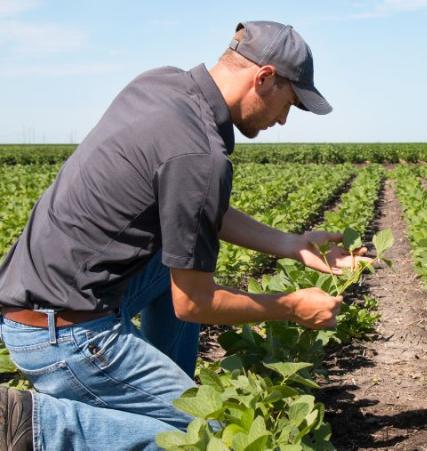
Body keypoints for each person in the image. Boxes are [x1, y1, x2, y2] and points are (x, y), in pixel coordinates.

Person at [0, 20, 363, 450]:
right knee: (210, 436)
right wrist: (291, 306)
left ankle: (156, 396)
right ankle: (40, 425)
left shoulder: (162, 84)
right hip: (66, 336)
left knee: (174, 257)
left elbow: (195, 209)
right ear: (264, 78)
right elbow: (193, 303)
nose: (284, 119)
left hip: (33, 302)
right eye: (290, 101)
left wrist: (291, 243)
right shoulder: (201, 155)